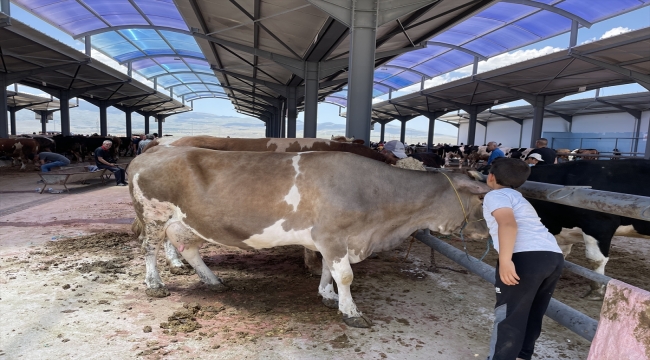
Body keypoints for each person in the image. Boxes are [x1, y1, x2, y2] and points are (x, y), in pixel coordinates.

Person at [483, 158, 563, 360]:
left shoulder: (496, 195)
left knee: (509, 314)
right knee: (533, 312)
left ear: (491, 176)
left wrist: (506, 261)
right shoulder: (519, 198)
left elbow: (508, 225)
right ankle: (522, 356)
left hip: (525, 258)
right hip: (552, 257)